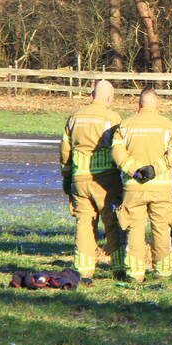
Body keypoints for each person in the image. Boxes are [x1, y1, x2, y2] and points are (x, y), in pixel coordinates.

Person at [111, 87, 172, 282]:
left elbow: (118, 155)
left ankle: (135, 273)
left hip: (133, 188)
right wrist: (155, 168)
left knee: (134, 229)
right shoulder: (168, 126)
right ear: (157, 104)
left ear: (138, 104)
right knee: (161, 229)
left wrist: (135, 170)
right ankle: (162, 272)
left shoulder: (125, 126)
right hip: (161, 188)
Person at [59, 80, 124, 281]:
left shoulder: (74, 118)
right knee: (113, 223)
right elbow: (119, 149)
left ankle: (84, 270)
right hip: (105, 180)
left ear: (91, 95)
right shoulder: (112, 118)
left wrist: (67, 178)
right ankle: (119, 268)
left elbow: (65, 151)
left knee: (84, 223)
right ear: (110, 98)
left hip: (79, 179)